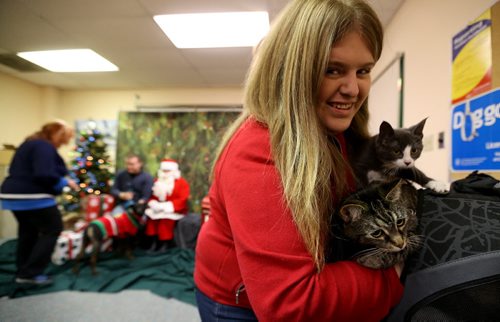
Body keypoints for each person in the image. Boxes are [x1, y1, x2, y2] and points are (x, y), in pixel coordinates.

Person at [194, 0, 404, 321]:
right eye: (332, 70)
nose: (352, 89)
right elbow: (289, 304)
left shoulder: (336, 130)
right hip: (237, 304)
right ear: (291, 71)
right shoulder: (260, 151)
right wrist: (395, 273)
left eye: (363, 71)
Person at [0, 120, 80, 285]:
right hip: (31, 196)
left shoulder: (30, 143)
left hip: (12, 195)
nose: (64, 143)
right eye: (65, 138)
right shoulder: (44, 146)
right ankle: (30, 273)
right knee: (53, 228)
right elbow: (43, 174)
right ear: (58, 135)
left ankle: (22, 271)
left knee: (28, 232)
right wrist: (64, 183)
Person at [144, 158, 190, 252]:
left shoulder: (181, 183)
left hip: (173, 209)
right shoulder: (157, 181)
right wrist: (153, 203)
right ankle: (153, 242)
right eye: (163, 171)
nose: (165, 173)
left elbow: (182, 199)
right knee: (152, 219)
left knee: (165, 221)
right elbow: (152, 196)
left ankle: (164, 244)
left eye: (167, 171)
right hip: (158, 208)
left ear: (174, 171)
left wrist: (166, 206)